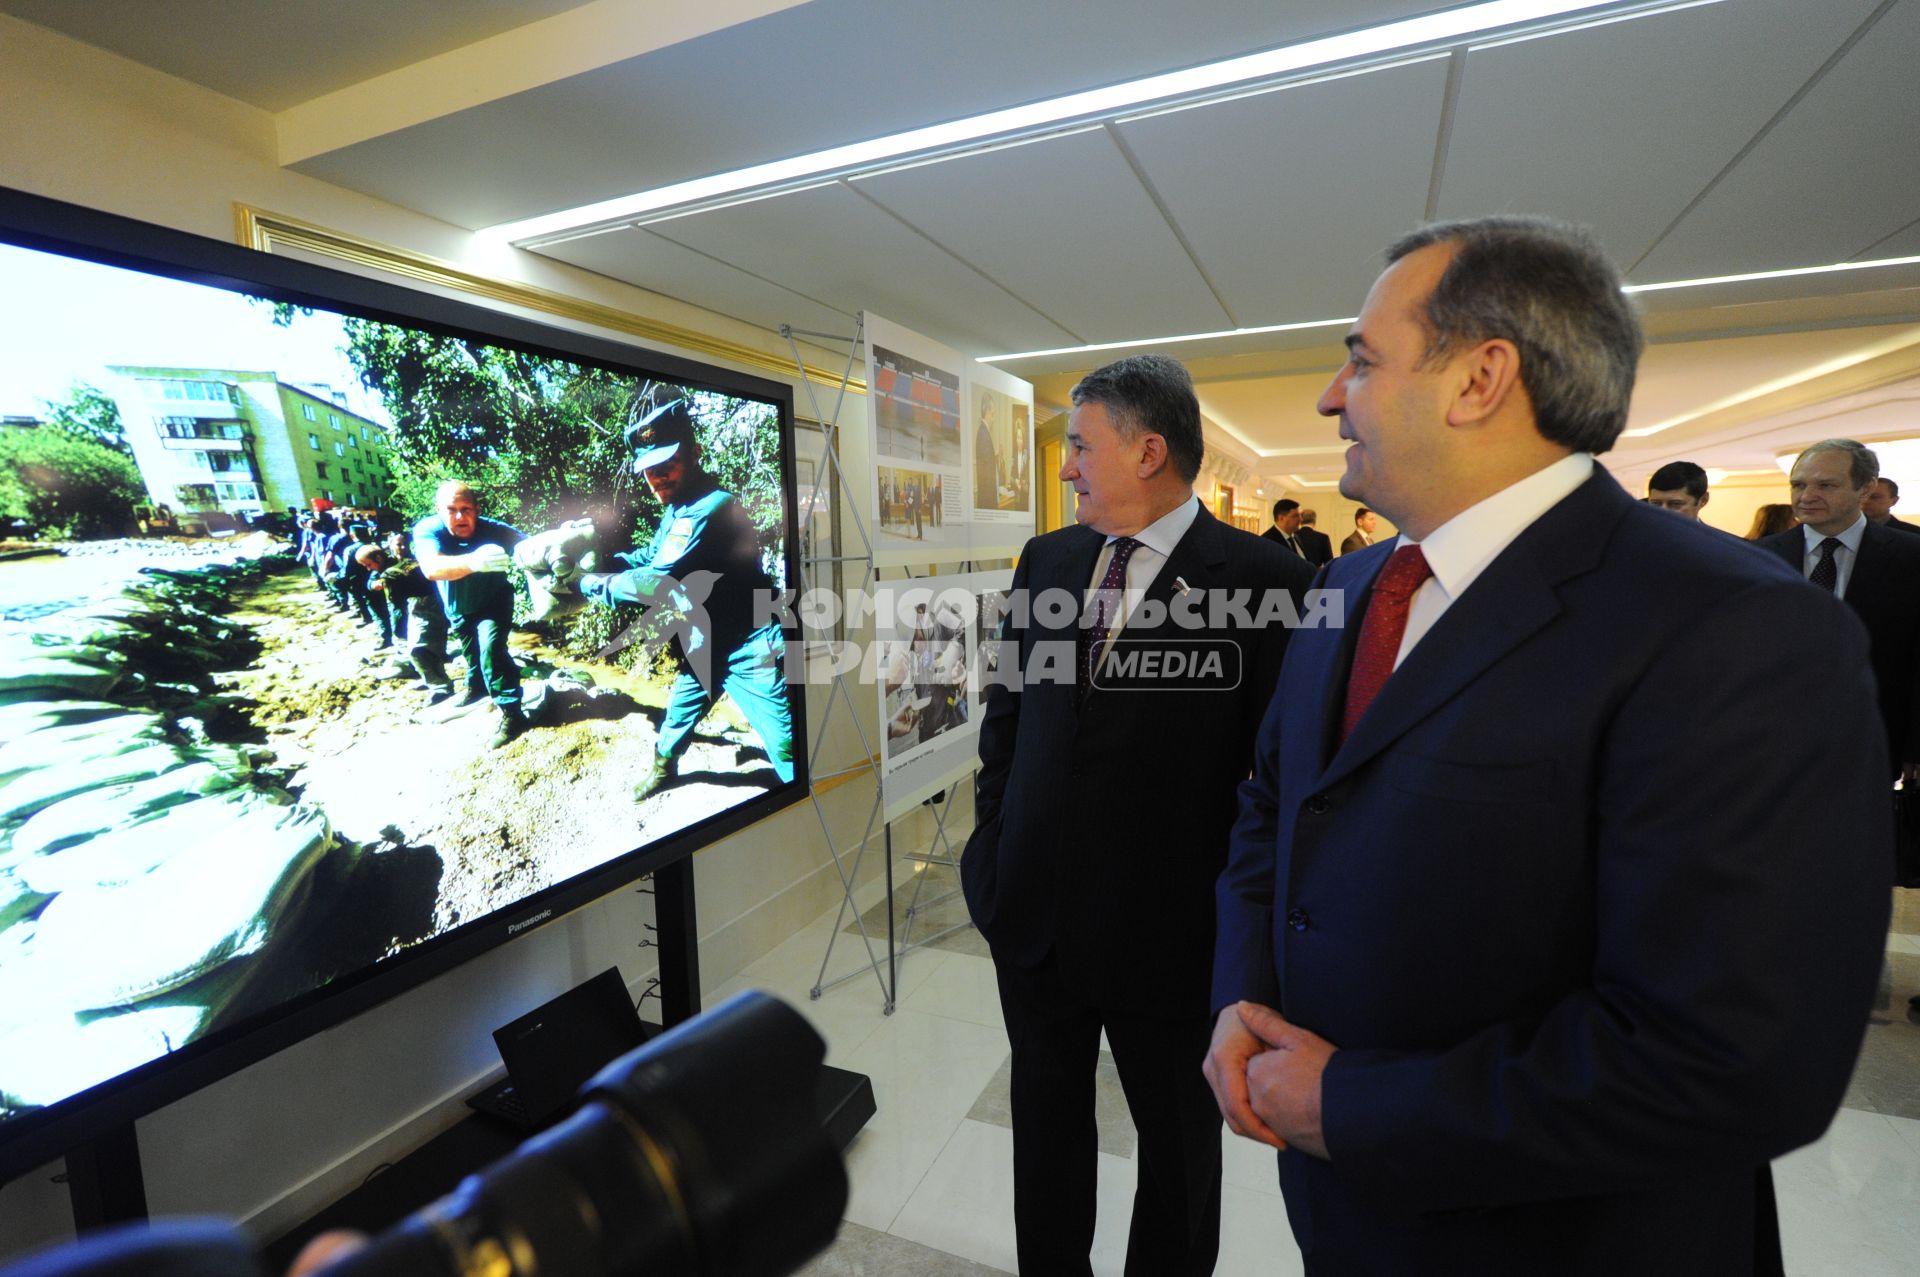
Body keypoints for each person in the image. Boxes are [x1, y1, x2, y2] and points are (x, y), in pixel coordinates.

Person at [1205, 215, 1890, 1276]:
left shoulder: (1735, 628)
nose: (1330, 396)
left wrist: (1352, 1102)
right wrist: (1242, 1003)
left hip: (1559, 1239)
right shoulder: (1346, 587)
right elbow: (1279, 801)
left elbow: (1736, 1060)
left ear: (1480, 379)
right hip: (1347, 1213)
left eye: (1360, 358)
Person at [961, 353, 1313, 1276]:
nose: (1066, 464)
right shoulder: (1050, 557)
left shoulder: (1266, 580)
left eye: (1079, 445)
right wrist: (990, 850)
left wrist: (1250, 952)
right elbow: (1009, 720)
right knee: (1043, 1131)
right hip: (1033, 921)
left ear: (1148, 450)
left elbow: (1279, 787)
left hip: (1174, 942)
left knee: (1179, 1157)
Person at [577, 400, 794, 800]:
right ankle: (663, 770)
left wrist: (592, 585)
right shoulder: (680, 506)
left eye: (666, 464)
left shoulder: (712, 506)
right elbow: (653, 556)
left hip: (751, 642)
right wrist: (611, 562)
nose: (656, 477)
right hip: (706, 639)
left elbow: (659, 579)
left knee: (786, 743)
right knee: (678, 713)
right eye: (648, 469)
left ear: (693, 452)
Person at [1756, 440, 1920, 786]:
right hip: (1773, 747)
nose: (1806, 496)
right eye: (1798, 485)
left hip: (1875, 740)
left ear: (1865, 488)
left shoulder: (1911, 558)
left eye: (1825, 485)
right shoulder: (1756, 558)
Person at [413, 481, 527, 749]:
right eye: (451, 510)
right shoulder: (429, 530)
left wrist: (561, 538)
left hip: (494, 602)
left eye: (466, 509)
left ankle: (512, 714)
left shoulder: (493, 529)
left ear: (477, 509)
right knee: (471, 652)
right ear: (439, 509)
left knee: (491, 650)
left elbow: (530, 545)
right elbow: (431, 568)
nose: (460, 517)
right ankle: (476, 688)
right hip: (457, 606)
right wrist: (473, 562)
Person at [364, 537, 455, 705]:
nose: (368, 569)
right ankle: (432, 679)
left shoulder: (389, 574)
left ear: (378, 558)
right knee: (429, 648)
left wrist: (398, 629)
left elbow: (396, 605)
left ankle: (440, 687)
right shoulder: (406, 562)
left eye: (369, 565)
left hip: (424, 606)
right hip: (435, 603)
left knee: (418, 649)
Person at [975, 394, 1000, 508]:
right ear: (988, 411)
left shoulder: (983, 432)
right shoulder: (984, 435)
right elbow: (988, 476)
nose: (994, 418)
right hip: (987, 501)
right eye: (993, 414)